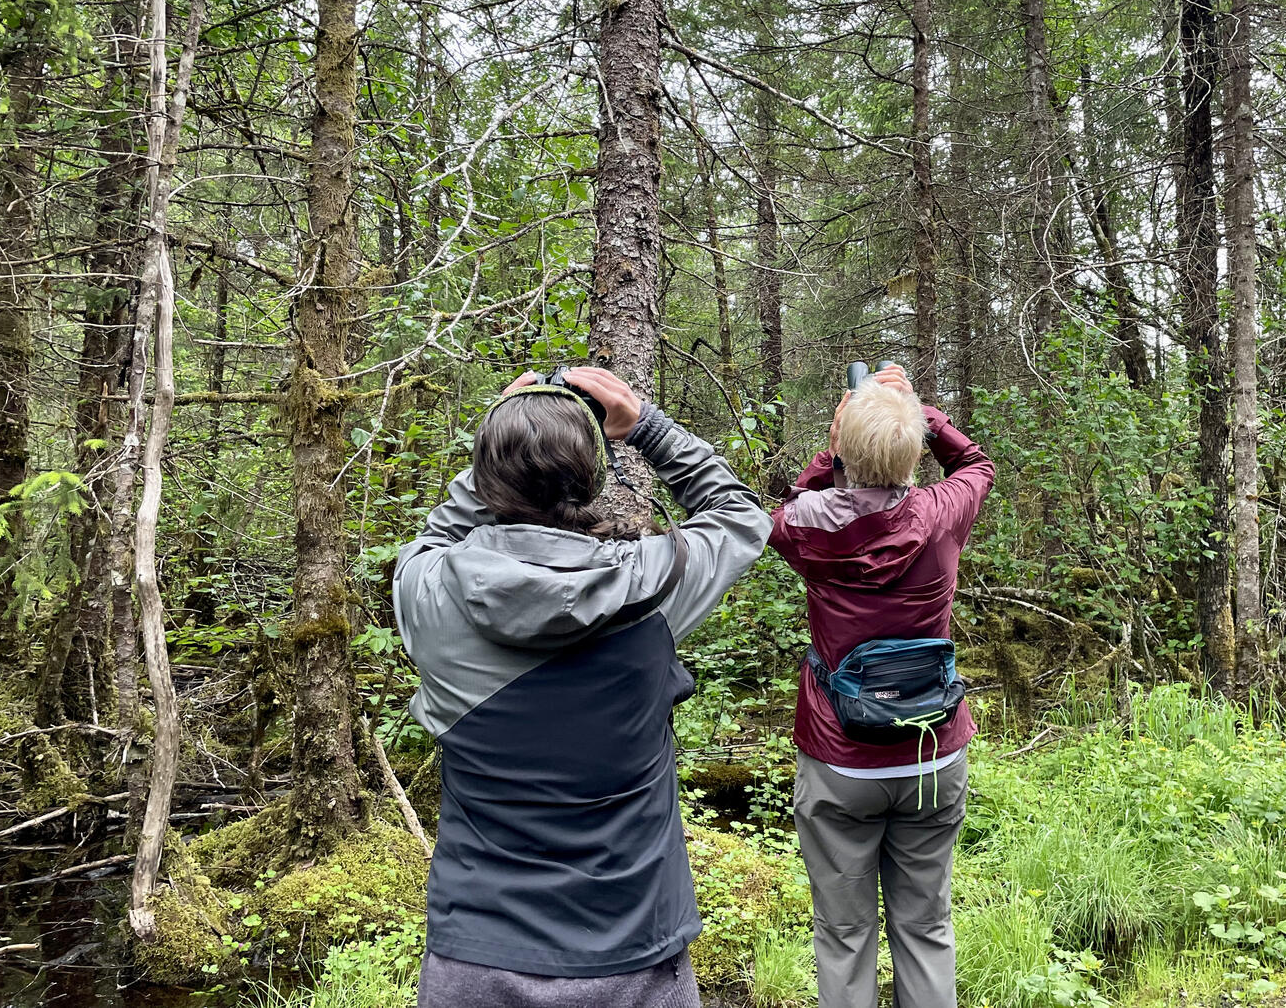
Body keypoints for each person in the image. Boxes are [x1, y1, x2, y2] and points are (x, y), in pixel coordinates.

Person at [394, 367, 772, 1008]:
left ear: (486, 481)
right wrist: (646, 425)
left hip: (477, 953)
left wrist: (507, 432)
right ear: (590, 479)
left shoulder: (426, 589)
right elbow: (740, 518)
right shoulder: (654, 587)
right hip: (635, 954)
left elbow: (437, 534)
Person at [770, 365, 994, 1008]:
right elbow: (975, 463)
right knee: (926, 928)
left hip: (840, 757)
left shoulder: (806, 525)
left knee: (843, 933)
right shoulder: (942, 511)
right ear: (915, 451)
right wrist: (922, 412)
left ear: (844, 448)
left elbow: (790, 505)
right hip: (932, 751)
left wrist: (833, 444)